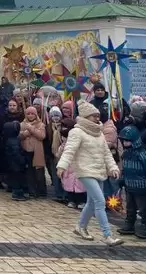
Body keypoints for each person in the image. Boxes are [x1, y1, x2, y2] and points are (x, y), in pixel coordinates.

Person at [56, 100, 123, 246]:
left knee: (92, 203)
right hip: (85, 170)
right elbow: (69, 150)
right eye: (93, 116)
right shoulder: (76, 132)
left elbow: (106, 153)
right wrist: (61, 166)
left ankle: (80, 227)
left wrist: (113, 167)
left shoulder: (99, 133)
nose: (97, 118)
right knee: (100, 201)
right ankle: (107, 235)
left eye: (98, 116)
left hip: (98, 170)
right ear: (86, 117)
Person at [117, 126, 146, 239]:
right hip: (129, 185)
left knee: (144, 208)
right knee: (130, 208)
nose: (125, 142)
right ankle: (129, 224)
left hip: (142, 186)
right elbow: (124, 169)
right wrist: (122, 179)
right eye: (124, 140)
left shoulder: (143, 153)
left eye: (127, 140)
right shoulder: (126, 154)